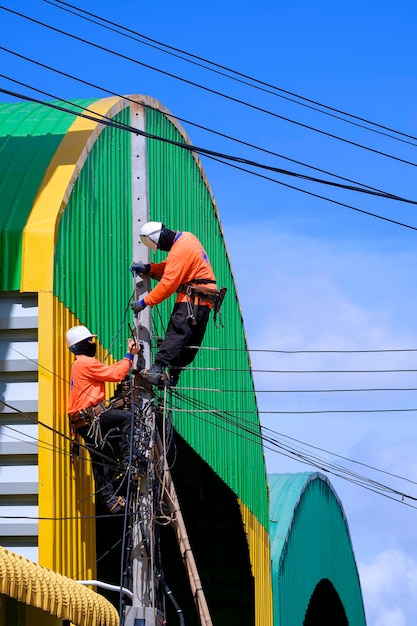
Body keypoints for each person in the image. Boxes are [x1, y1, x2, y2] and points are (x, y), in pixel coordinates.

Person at [130, 221, 218, 387]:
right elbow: (172, 266)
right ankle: (174, 374)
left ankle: (158, 368)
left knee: (177, 333)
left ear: (161, 239)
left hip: (191, 301)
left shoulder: (179, 250)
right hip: (205, 302)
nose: (163, 250)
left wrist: (144, 302)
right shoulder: (188, 238)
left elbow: (168, 283)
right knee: (190, 340)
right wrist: (150, 268)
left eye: (161, 247)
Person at [66, 325, 139, 514]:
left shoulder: (79, 364)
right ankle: (128, 460)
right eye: (90, 341)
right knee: (128, 419)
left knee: (102, 459)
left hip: (83, 421)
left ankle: (111, 501)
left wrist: (125, 360)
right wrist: (129, 356)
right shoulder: (85, 363)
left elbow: (110, 370)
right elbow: (115, 374)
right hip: (92, 418)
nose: (93, 343)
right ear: (80, 345)